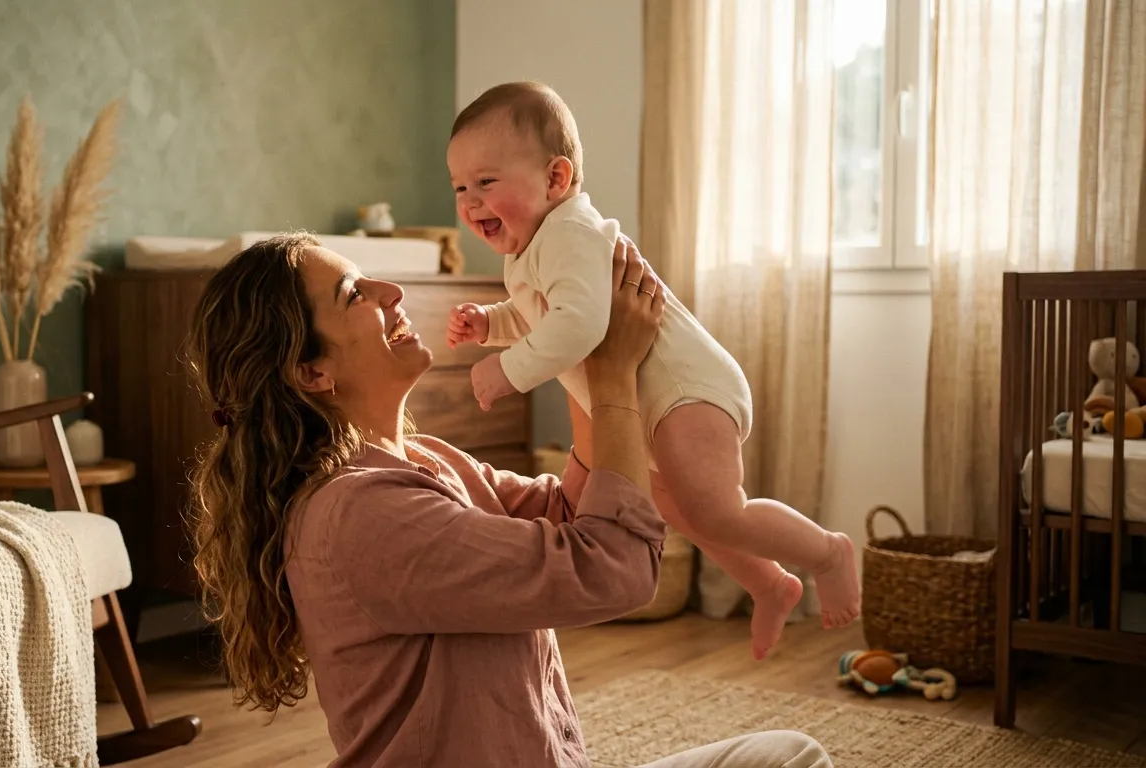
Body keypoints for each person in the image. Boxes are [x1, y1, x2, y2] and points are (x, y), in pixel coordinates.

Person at [185, 232, 833, 767]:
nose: (393, 293)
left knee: (791, 754)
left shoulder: (426, 459)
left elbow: (572, 510)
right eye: (356, 294)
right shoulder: (360, 512)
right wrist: (613, 382)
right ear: (312, 372)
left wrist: (580, 351)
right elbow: (614, 568)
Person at [445, 80, 859, 660]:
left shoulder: (570, 233)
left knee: (718, 508)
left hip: (690, 390)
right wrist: (492, 322)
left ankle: (826, 553)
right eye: (460, 186)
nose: (469, 201)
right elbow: (544, 312)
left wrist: (506, 370)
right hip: (653, 405)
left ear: (556, 180)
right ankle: (769, 582)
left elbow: (581, 326)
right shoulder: (531, 247)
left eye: (486, 183)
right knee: (681, 509)